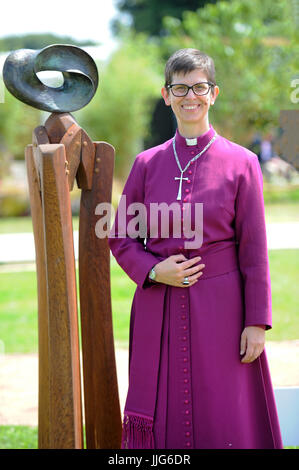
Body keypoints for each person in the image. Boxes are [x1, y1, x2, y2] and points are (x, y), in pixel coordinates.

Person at [108, 48, 283, 449]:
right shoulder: (146, 164)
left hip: (224, 309)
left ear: (214, 93)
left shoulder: (243, 163)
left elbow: (255, 251)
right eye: (180, 88)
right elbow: (121, 236)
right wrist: (154, 271)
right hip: (160, 307)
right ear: (166, 95)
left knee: (223, 407)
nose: (191, 97)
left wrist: (257, 322)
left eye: (199, 87)